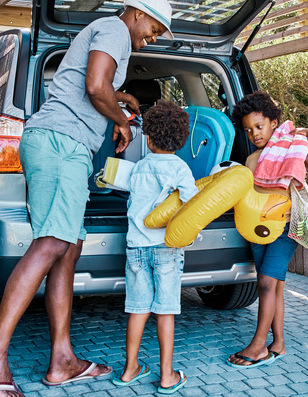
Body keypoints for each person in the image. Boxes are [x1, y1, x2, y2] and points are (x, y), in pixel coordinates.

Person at [0, 0, 174, 397]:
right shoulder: (114, 28)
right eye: (155, 28)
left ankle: (62, 361)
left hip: (61, 145)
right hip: (62, 144)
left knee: (67, 248)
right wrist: (122, 123)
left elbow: (98, 85)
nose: (155, 37)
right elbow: (95, 85)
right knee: (52, 243)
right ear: (137, 13)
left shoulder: (110, 35)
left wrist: (122, 99)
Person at [227, 91, 308, 368]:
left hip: (285, 227)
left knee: (267, 284)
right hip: (258, 229)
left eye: (259, 126)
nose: (254, 134)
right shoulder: (252, 159)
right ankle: (278, 344)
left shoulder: (290, 150)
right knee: (274, 287)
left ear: (273, 123)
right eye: (248, 130)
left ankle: (258, 346)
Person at [111, 100, 197, 394]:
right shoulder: (181, 169)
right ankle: (166, 375)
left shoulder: (139, 167)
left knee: (137, 309)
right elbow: (193, 205)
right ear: (182, 139)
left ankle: (130, 368)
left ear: (147, 138)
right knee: (165, 311)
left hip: (136, 247)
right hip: (166, 250)